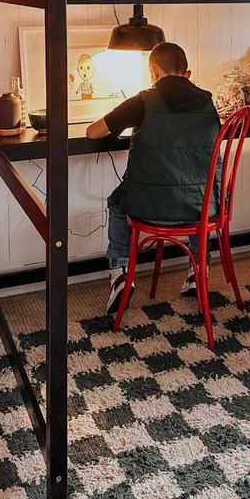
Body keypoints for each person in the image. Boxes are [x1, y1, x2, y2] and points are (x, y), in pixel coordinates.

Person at [86, 42, 220, 316]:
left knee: (117, 202)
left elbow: (93, 132)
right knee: (197, 192)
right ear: (188, 74)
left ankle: (121, 273)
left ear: (153, 71)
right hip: (201, 211)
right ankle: (198, 269)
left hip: (150, 209)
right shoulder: (207, 101)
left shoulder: (143, 100)